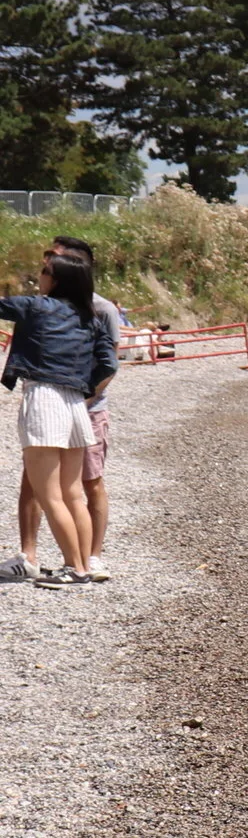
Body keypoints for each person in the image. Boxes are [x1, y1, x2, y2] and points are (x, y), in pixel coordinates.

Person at [0, 240, 117, 588]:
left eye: (45, 271)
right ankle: (83, 565)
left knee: (49, 495)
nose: (40, 274)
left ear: (57, 280)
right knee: (72, 494)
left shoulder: (37, 307)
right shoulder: (90, 318)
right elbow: (108, 364)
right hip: (76, 405)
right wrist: (85, 390)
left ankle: (75, 569)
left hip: (45, 400)